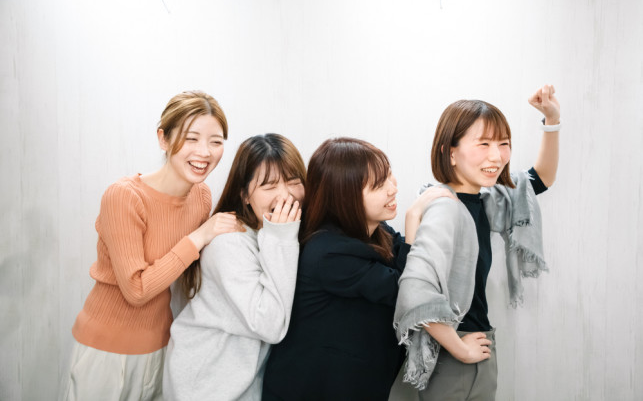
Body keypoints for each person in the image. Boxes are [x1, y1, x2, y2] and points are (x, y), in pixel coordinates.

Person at [62, 91, 243, 401]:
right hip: (106, 352)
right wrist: (200, 236)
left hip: (161, 346)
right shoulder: (124, 197)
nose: (204, 152)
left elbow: (190, 273)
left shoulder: (201, 197)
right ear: (163, 139)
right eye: (191, 138)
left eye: (215, 141)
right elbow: (137, 290)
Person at [394, 85, 561, 400]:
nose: (496, 156)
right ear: (450, 152)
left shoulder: (487, 199)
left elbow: (540, 179)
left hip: (476, 344)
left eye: (503, 143)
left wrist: (552, 120)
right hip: (452, 353)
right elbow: (416, 293)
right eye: (483, 143)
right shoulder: (443, 206)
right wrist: (460, 349)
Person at [262, 137, 452, 401]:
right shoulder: (328, 252)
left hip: (353, 383)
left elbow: (416, 265)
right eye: (378, 185)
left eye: (389, 175)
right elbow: (408, 291)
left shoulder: (375, 230)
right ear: (345, 196)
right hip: (310, 390)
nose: (392, 188)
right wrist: (413, 219)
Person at [163, 133, 307, 401]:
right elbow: (271, 325)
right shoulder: (229, 243)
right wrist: (281, 237)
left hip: (235, 383)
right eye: (269, 185)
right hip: (204, 384)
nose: (285, 195)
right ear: (244, 196)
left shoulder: (273, 235)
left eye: (293, 182)